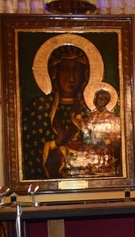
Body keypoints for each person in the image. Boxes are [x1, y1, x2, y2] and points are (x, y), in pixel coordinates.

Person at [22, 44, 91, 179]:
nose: (71, 78)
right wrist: (55, 144)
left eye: (76, 70)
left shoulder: (89, 111)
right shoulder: (38, 108)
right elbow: (28, 152)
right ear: (54, 73)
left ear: (84, 75)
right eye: (64, 70)